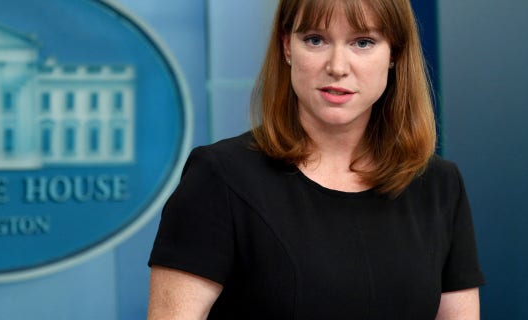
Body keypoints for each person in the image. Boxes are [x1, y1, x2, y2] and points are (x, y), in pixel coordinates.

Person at [147, 0, 485, 318]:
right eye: (315, 39)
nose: (337, 67)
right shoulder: (220, 176)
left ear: (394, 53)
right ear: (287, 47)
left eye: (363, 42)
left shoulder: (440, 186)